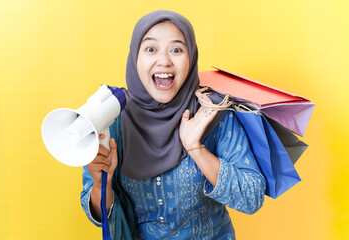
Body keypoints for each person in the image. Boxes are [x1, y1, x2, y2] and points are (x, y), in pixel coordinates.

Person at [81, 10, 266, 239]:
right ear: (134, 58)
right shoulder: (110, 117)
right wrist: (101, 185)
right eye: (151, 49)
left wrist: (195, 148)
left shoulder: (212, 112)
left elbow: (252, 198)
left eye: (177, 49)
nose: (164, 61)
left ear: (191, 57)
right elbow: (101, 219)